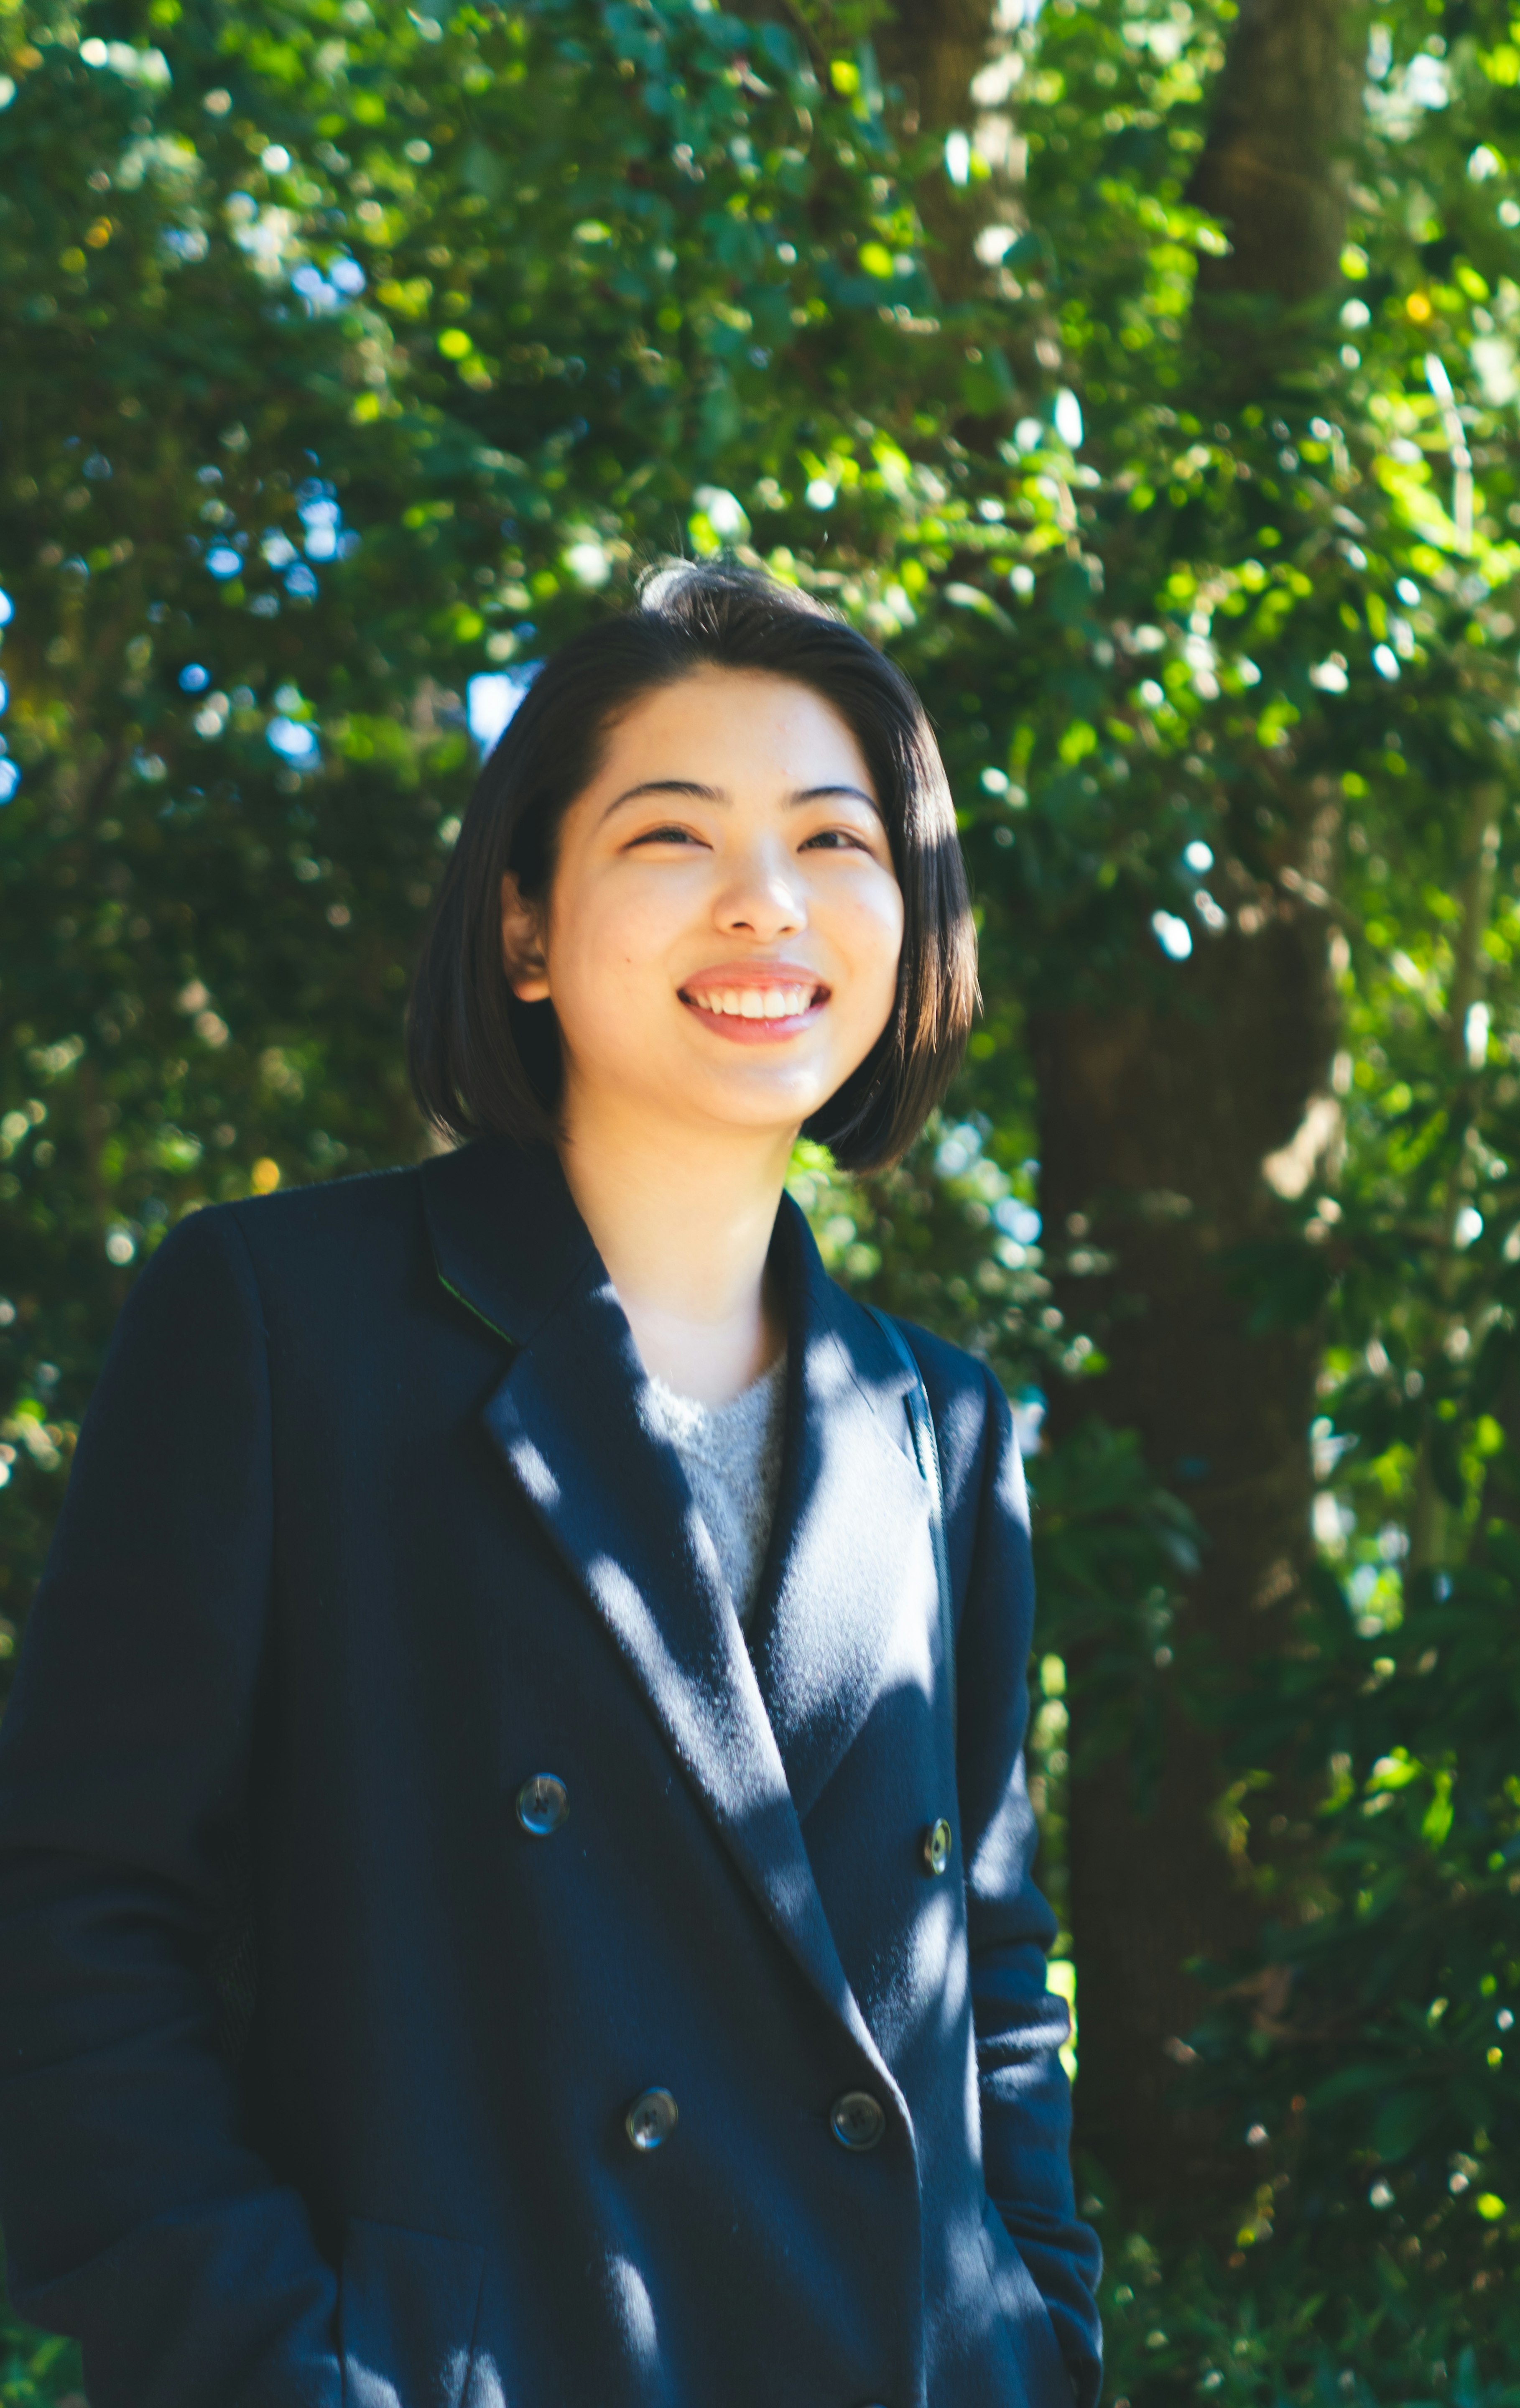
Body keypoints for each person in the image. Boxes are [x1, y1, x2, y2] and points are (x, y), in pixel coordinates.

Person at [0, 562, 1103, 2408]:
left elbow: (991, 1982)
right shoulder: (284, 1323)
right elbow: (72, 1926)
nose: (769, 898)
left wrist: (1041, 2341)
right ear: (525, 928)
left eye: (838, 842)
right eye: (675, 835)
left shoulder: (947, 1425)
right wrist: (291, 2374)